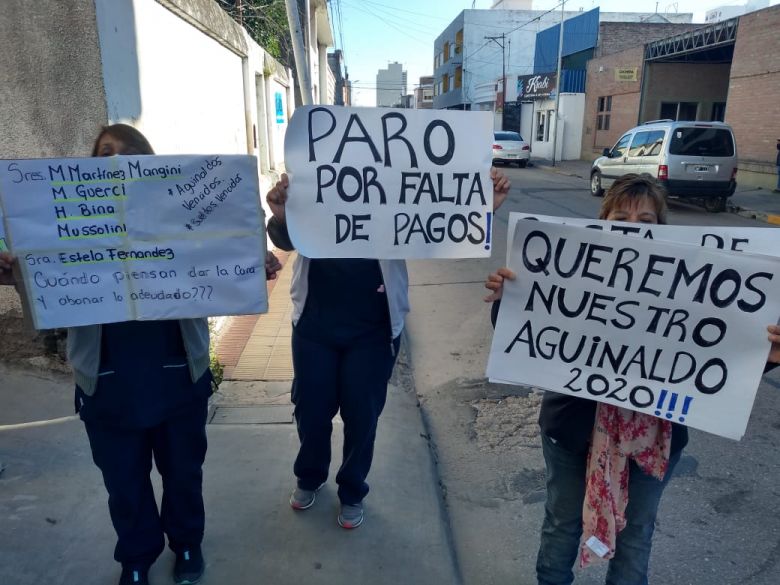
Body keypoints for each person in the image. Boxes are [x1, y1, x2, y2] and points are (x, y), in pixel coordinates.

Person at [1, 123, 281, 585]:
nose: (115, 161)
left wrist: (256, 265)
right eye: (105, 153)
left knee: (184, 475)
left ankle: (187, 543)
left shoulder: (180, 222)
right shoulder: (72, 226)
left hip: (177, 378)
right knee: (124, 484)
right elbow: (48, 281)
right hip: (106, 383)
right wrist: (20, 275)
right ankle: (136, 556)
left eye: (129, 154)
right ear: (89, 169)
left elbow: (222, 260)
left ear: (149, 166)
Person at [484, 173, 780, 585]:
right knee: (561, 525)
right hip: (570, 430)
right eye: (621, 217)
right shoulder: (576, 273)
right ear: (603, 222)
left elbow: (722, 358)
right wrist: (509, 301)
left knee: (636, 536)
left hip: (655, 438)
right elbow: (526, 337)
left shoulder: (686, 287)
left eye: (646, 220)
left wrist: (767, 355)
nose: (634, 227)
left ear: (660, 230)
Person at [265, 167, 510, 529]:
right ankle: (309, 475)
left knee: (362, 415)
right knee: (311, 410)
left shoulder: (394, 189)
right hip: (315, 326)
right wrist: (283, 214)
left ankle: (351, 490)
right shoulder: (317, 184)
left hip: (373, 331)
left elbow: (438, 231)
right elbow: (287, 241)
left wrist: (482, 208)